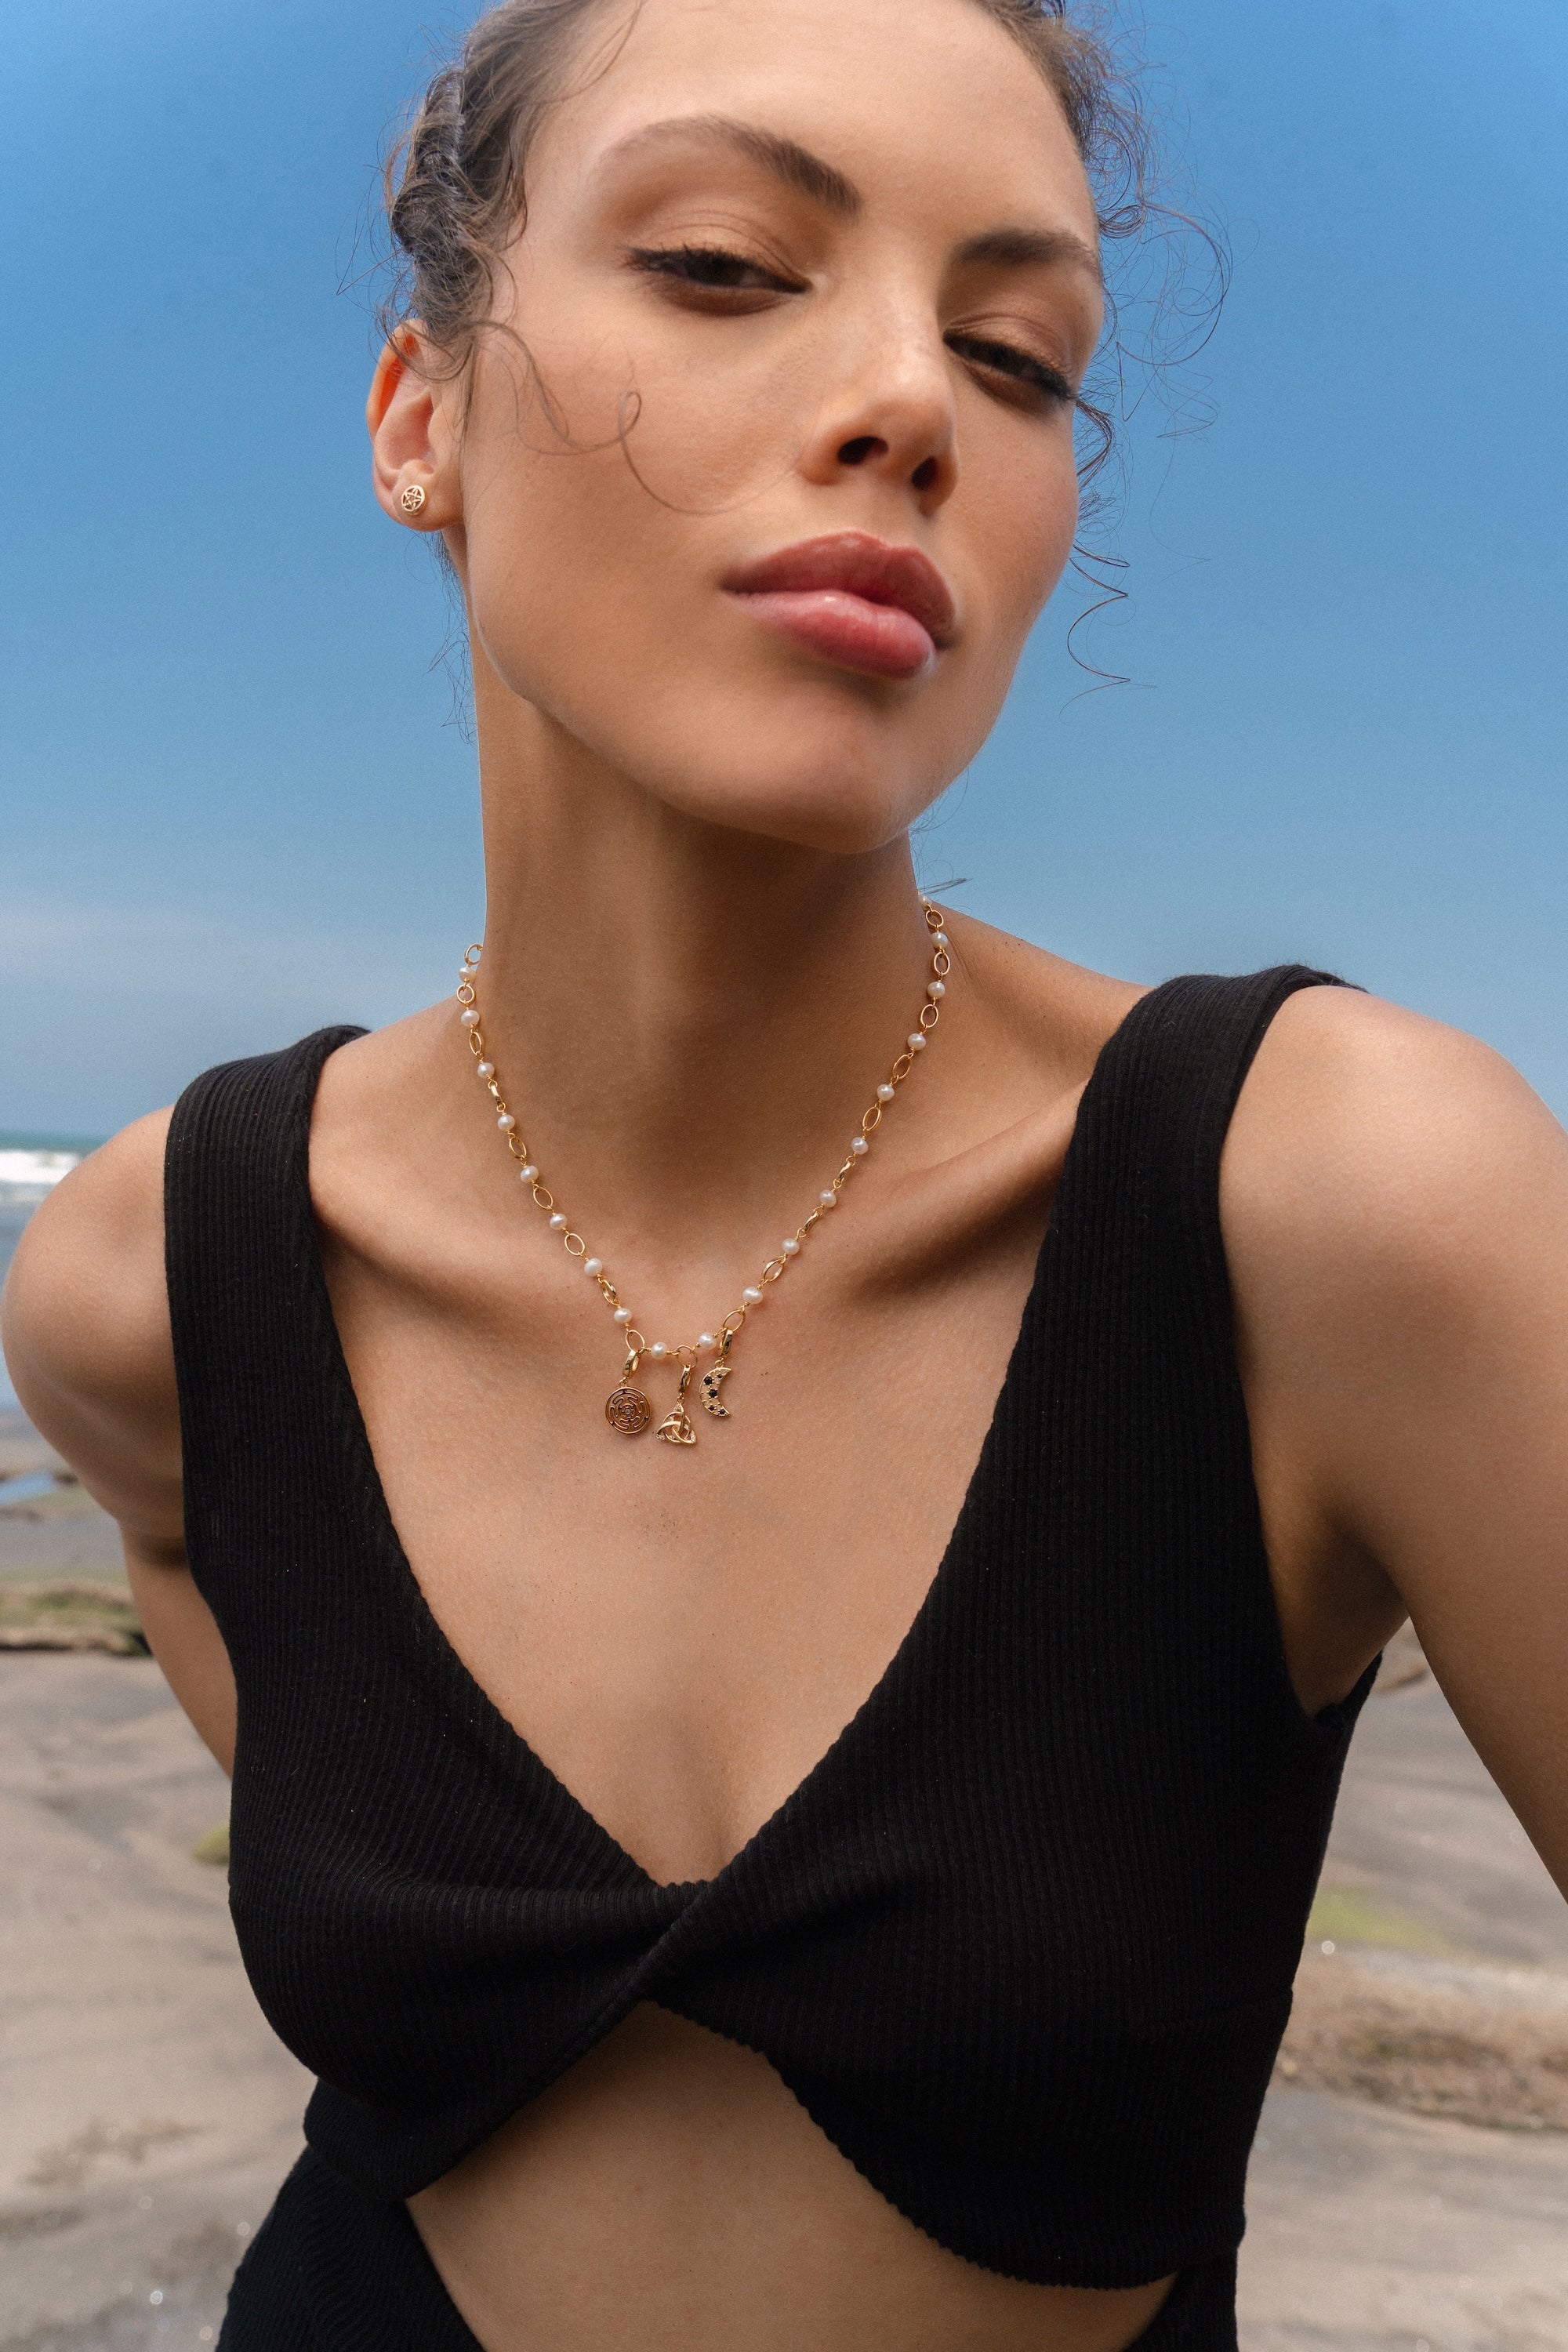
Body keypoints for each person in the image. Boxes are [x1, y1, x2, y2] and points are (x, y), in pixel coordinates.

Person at [5, 0, 1566, 2344]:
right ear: (420, 419)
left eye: (1020, 356)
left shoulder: (1338, 1205)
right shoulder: (153, 1276)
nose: (914, 406)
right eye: (731, 264)